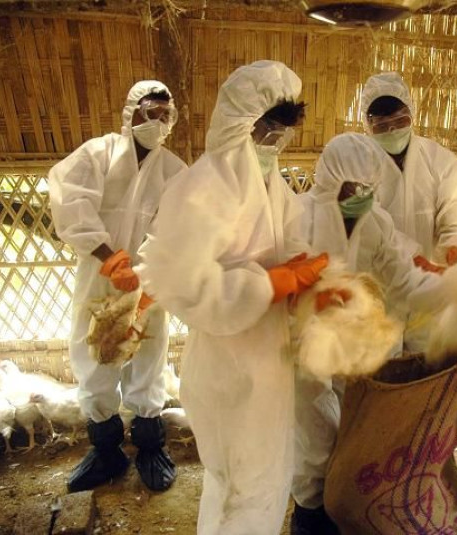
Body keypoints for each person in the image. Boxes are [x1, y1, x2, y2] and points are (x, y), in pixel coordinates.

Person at [136, 60, 328, 535]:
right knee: (244, 488)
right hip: (230, 367)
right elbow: (186, 284)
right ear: (239, 121)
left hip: (266, 362)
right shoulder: (203, 188)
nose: (274, 142)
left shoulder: (269, 184)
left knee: (260, 483)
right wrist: (270, 284)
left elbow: (289, 240)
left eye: (282, 132)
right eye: (267, 129)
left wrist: (309, 275)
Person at [291, 132, 443, 534]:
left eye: (369, 188)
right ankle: (309, 511)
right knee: (312, 428)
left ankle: (344, 504)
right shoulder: (298, 216)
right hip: (304, 347)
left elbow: (402, 275)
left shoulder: (376, 221)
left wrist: (449, 289)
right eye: (352, 187)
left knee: (356, 429)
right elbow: (282, 283)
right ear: (329, 180)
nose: (361, 195)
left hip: (353, 348)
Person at [48, 80, 187, 493]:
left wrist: (141, 272)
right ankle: (106, 450)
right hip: (98, 273)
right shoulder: (97, 153)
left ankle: (150, 447)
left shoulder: (174, 170)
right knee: (93, 350)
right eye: (150, 112)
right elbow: (71, 202)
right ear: (131, 113)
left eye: (166, 115)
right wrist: (109, 256)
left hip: (148, 278)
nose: (158, 121)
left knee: (148, 349)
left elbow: (175, 226)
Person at [360, 72, 457, 352]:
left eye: (399, 120)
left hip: (431, 285)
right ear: (367, 125)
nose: (392, 130)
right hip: (379, 289)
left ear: (412, 114)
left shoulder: (438, 160)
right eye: (381, 124)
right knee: (377, 363)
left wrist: (454, 243)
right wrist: (407, 256)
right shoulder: (359, 163)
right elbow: (365, 222)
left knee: (425, 358)